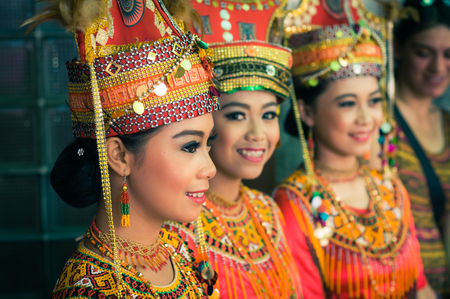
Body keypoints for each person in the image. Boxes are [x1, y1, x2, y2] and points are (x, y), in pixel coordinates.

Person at [23, 0, 220, 298]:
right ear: (118, 155)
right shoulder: (90, 292)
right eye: (190, 146)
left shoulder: (178, 249)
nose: (211, 168)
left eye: (208, 144)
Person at [274, 2, 436, 298]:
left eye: (374, 101)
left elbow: (421, 286)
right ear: (306, 112)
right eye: (348, 103)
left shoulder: (390, 188)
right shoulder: (294, 205)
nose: (366, 118)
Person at [164, 2, 303, 298]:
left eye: (268, 115)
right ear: (206, 123)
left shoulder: (268, 212)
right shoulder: (176, 225)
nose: (257, 134)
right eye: (237, 115)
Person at [370, 0, 450, 295]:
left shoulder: (447, 123)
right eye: (423, 53)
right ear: (399, 48)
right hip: (399, 283)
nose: (437, 67)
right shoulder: (376, 122)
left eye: (448, 55)